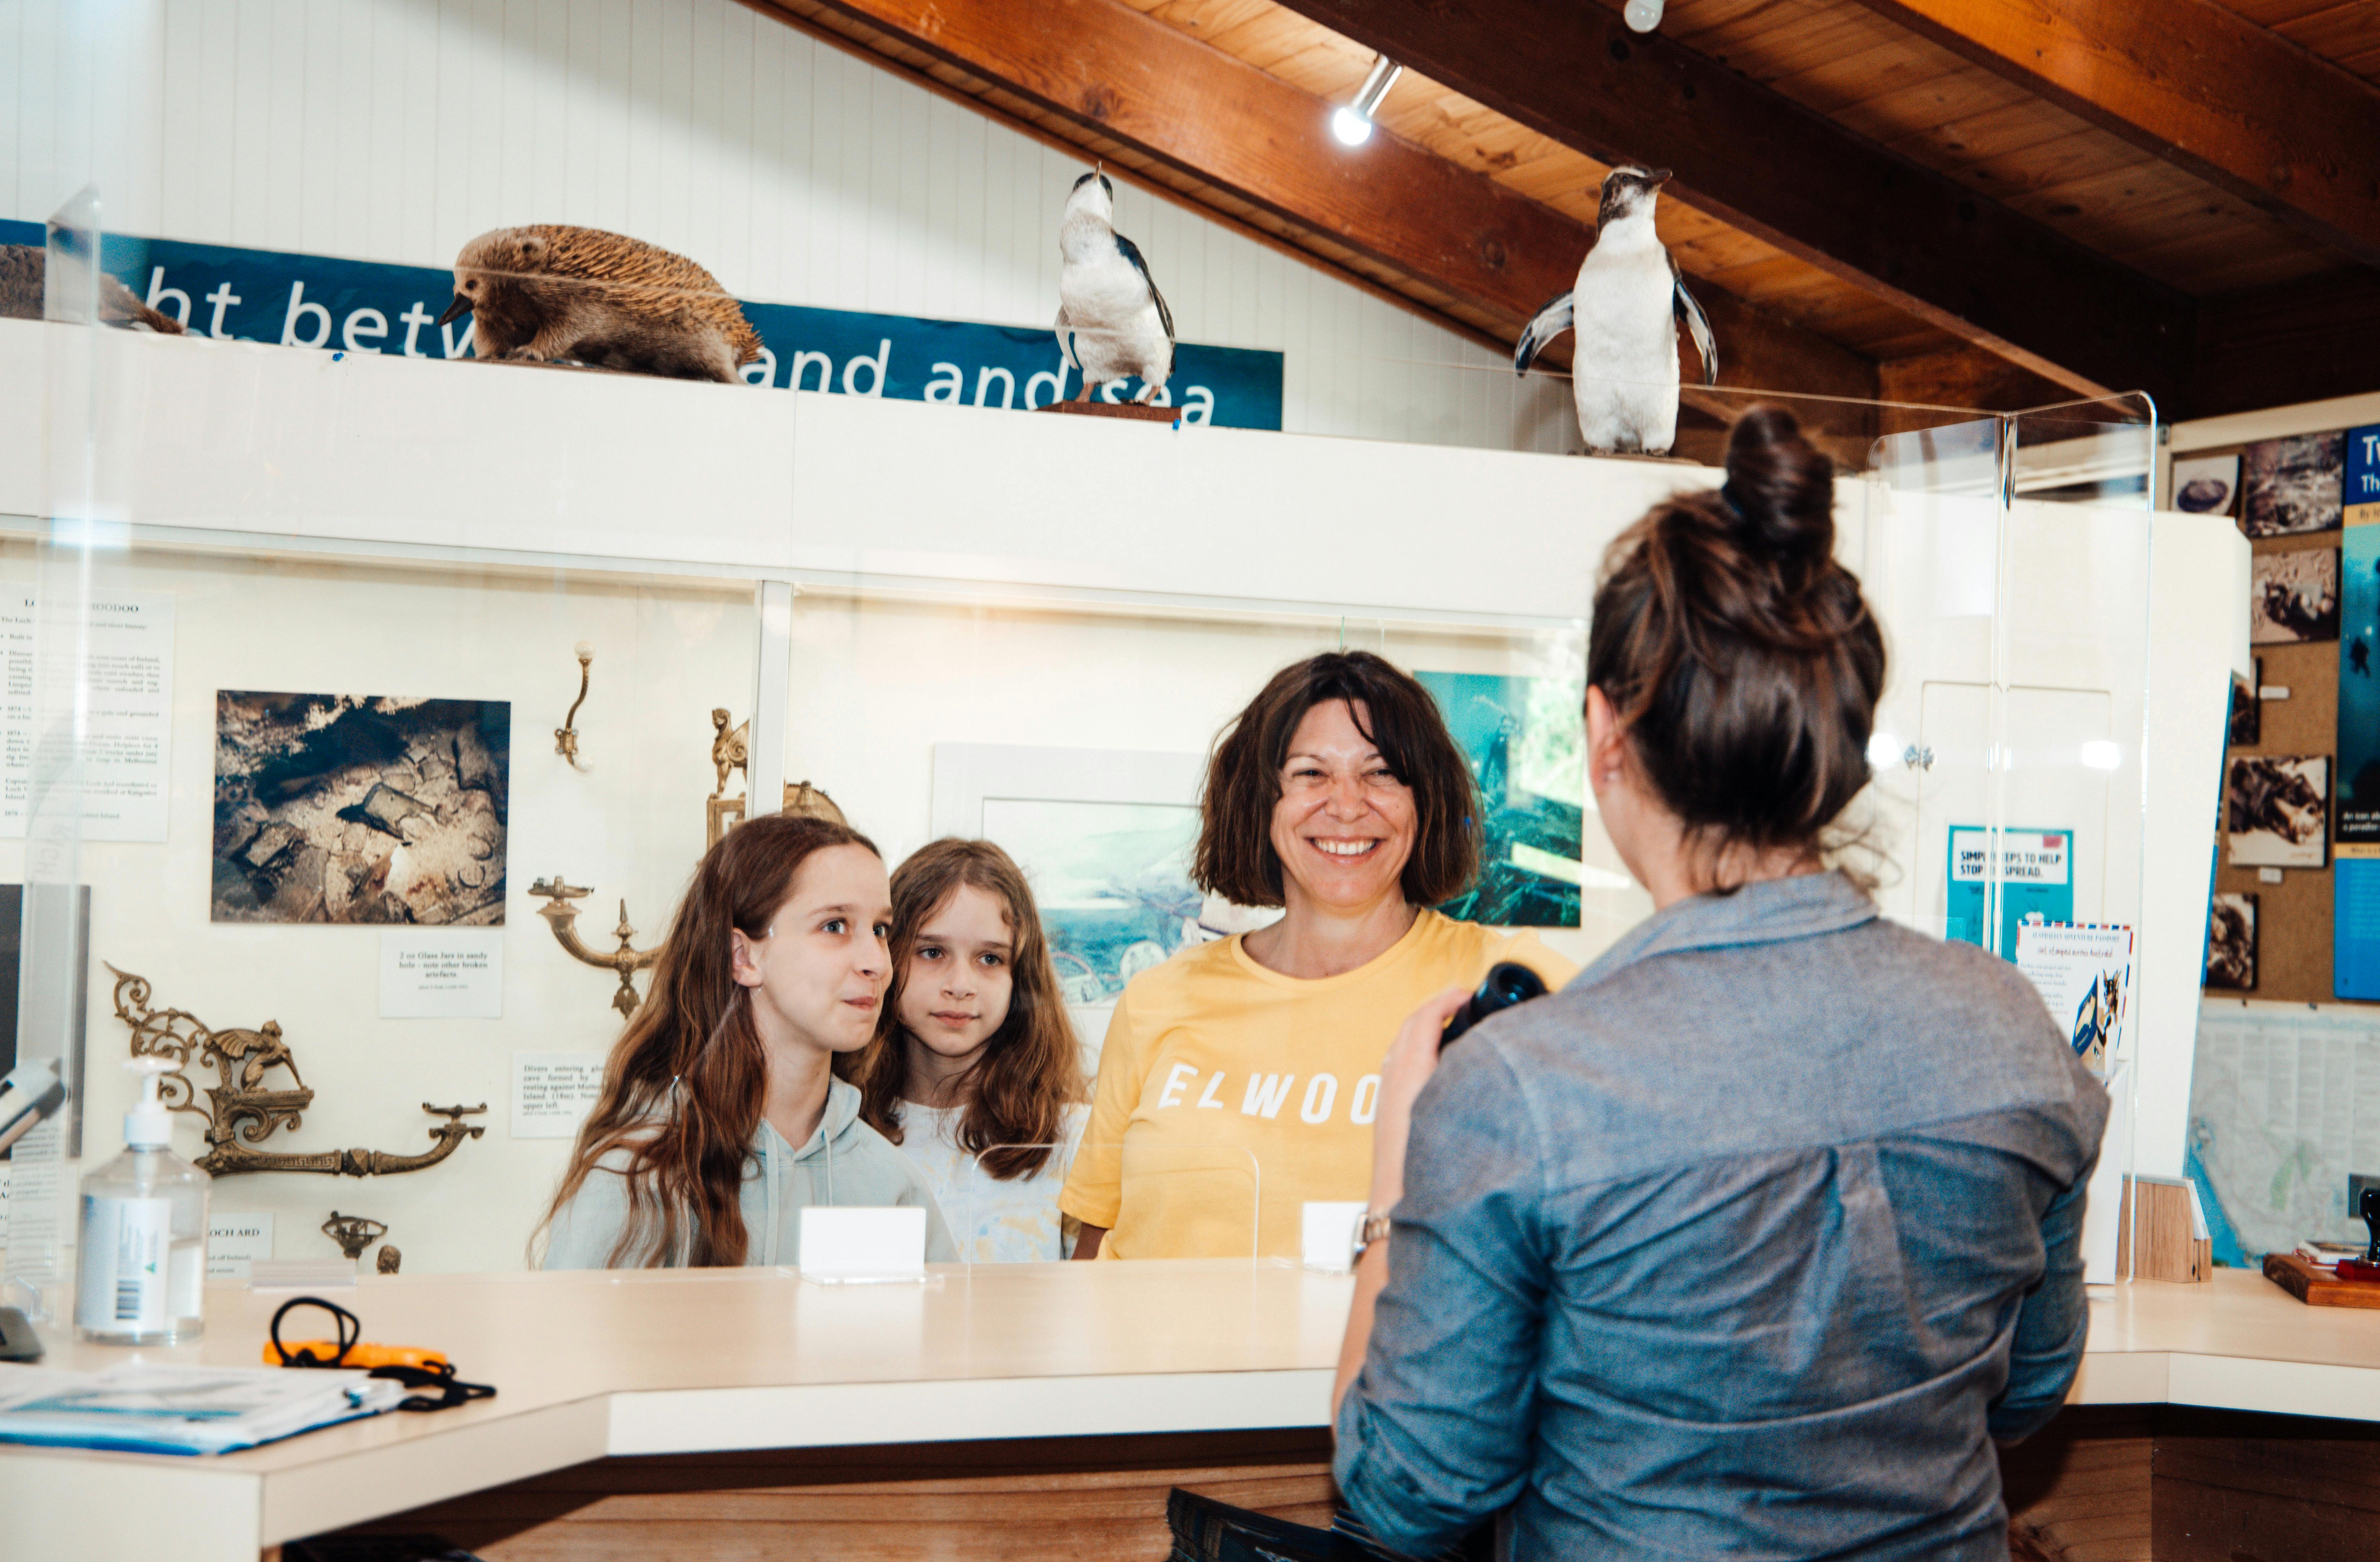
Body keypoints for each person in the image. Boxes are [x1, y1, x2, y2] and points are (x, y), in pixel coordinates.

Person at [1331, 407, 2110, 1559]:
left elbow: (1407, 1496)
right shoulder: (2015, 1032)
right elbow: (2028, 1387)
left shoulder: (1521, 1088)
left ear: (1605, 732)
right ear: (1833, 746)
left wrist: (1392, 1205)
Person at [1061, 650, 1577, 1260]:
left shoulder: (1511, 984)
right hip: (1154, 1358)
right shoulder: (1157, 1000)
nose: (1347, 804)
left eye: (1381, 771)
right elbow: (1093, 1249)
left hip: (1386, 1357)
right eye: (1310, 773)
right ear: (1260, 801)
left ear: (1426, 799)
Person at [537, 813, 956, 1269]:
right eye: (835, 926)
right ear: (744, 956)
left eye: (880, 929)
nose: (877, 960)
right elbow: (565, 1341)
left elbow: (935, 1339)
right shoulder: (632, 1181)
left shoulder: (891, 1184)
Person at [848, 838, 1087, 1261]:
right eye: (932, 952)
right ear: (888, 957)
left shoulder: (1072, 1139)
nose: (960, 984)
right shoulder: (843, 1123)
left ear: (1021, 977)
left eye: (990, 959)